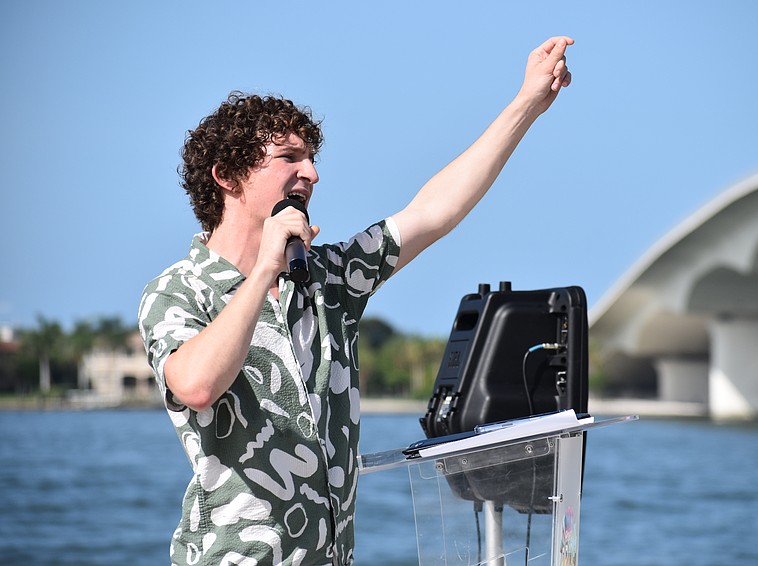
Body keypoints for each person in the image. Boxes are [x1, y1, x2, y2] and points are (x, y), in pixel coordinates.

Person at [138, 35, 574, 566]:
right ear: (227, 177)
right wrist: (263, 276)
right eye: (288, 158)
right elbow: (198, 385)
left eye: (313, 159)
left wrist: (526, 103)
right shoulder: (178, 291)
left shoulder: (330, 279)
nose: (312, 173)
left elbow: (435, 211)